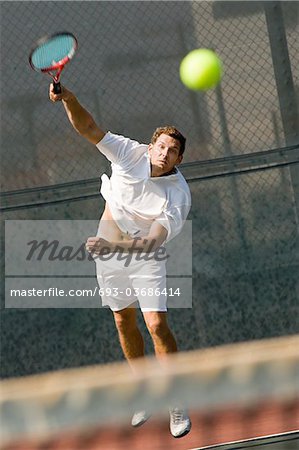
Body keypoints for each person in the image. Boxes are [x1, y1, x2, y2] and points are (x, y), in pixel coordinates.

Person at [49, 84, 192, 438]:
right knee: (122, 320)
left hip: (144, 258)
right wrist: (69, 98)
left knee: (156, 324)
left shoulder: (177, 197)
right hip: (109, 259)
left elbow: (151, 242)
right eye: (161, 146)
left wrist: (113, 248)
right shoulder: (129, 153)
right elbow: (88, 128)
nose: (164, 153)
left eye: (172, 151)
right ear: (150, 146)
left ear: (179, 160)